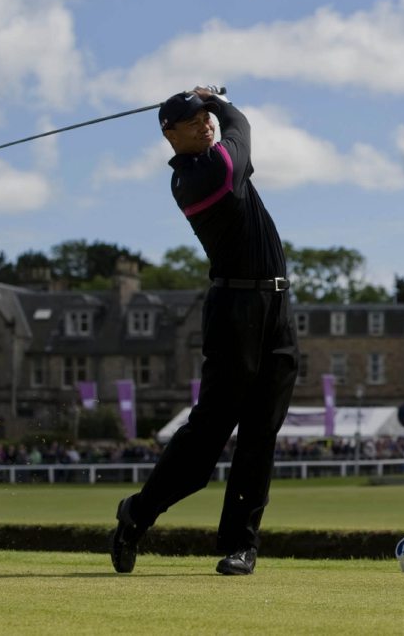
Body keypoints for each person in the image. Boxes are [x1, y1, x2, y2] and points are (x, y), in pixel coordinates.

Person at [109, 86, 298, 577]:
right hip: (236, 309)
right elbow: (244, 131)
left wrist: (207, 104)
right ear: (170, 135)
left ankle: (241, 545)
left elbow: (232, 134)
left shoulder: (210, 161)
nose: (205, 125)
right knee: (208, 437)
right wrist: (216, 100)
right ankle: (137, 514)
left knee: (261, 435)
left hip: (276, 307)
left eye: (204, 118)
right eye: (193, 121)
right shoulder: (205, 175)